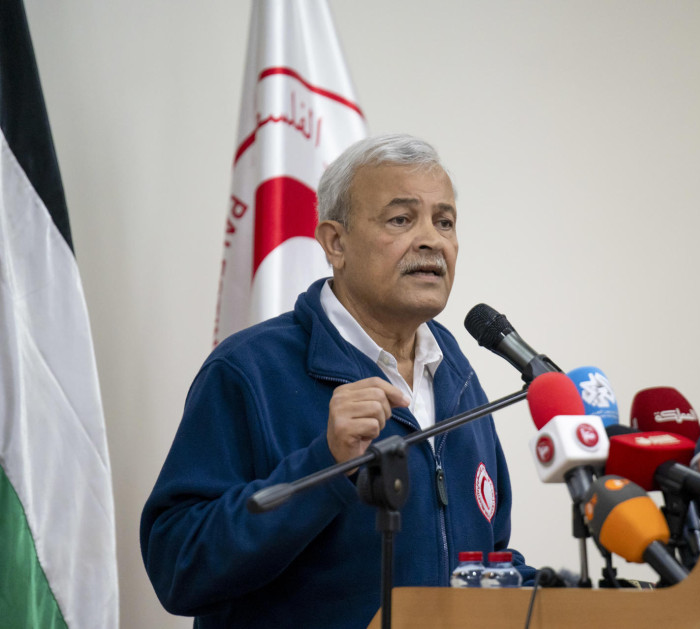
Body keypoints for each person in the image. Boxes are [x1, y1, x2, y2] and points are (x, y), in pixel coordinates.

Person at [140, 134, 533, 628]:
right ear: (335, 242)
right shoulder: (249, 370)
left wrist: (560, 594)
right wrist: (324, 464)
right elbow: (177, 566)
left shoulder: (457, 376)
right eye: (401, 219)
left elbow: (483, 556)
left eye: (445, 221)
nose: (431, 239)